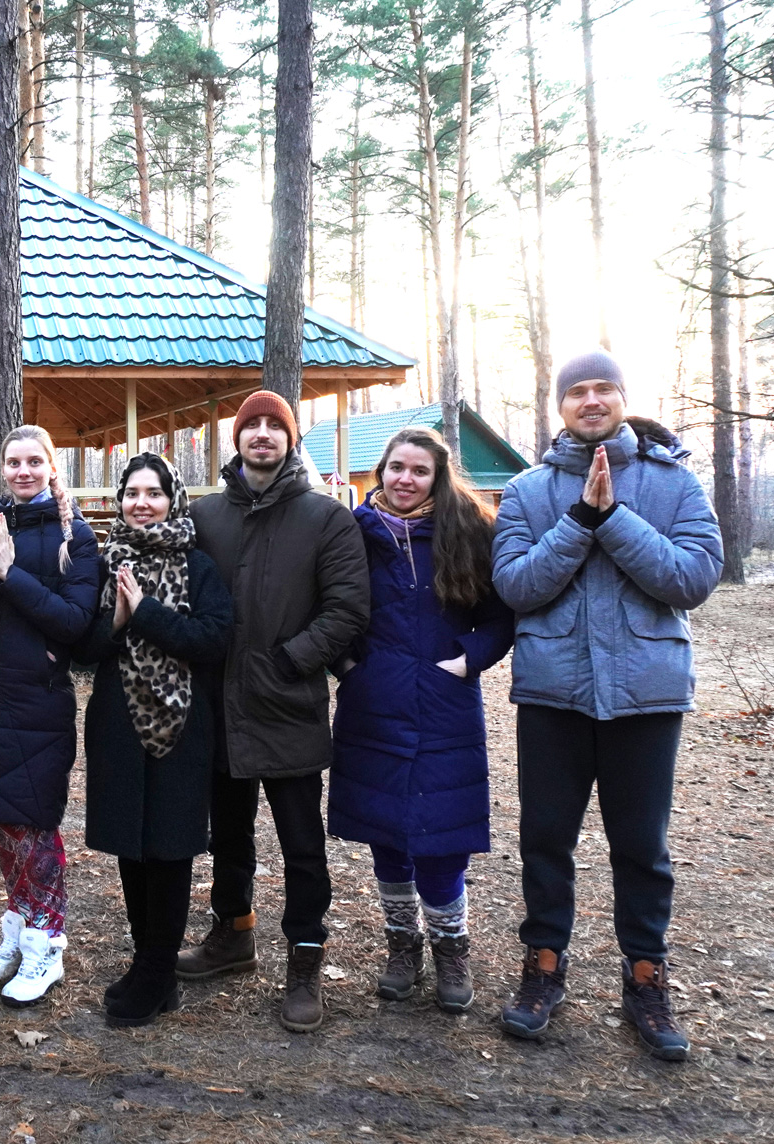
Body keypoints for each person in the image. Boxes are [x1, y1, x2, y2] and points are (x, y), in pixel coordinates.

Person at [493, 351, 722, 1062]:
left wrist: (614, 518)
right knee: (545, 839)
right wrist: (579, 521)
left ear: (623, 397)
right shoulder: (527, 490)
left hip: (645, 697)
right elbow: (515, 586)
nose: (591, 400)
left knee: (642, 847)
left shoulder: (673, 481)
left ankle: (645, 978)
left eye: (604, 389)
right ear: (560, 406)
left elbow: (693, 578)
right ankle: (544, 966)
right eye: (578, 392)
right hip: (553, 695)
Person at [178, 390, 368, 1032]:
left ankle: (305, 958)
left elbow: (347, 608)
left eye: (274, 426)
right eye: (251, 425)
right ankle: (233, 932)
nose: (262, 434)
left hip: (288, 703)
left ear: (290, 439)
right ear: (236, 440)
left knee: (302, 844)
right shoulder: (205, 516)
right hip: (218, 706)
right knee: (229, 834)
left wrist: (290, 661)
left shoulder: (325, 518)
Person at [325, 428, 513, 1014]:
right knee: (386, 831)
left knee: (442, 835)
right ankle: (402, 946)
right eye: (397, 467)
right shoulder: (354, 532)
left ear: (438, 477)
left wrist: (467, 660)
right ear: (380, 470)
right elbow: (327, 607)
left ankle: (451, 948)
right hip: (373, 701)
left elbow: (501, 616)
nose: (405, 479)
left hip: (444, 704)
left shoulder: (469, 530)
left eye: (420, 470)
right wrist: (350, 667)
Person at [0, 424, 102, 1008]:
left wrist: (12, 577)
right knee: (3, 823)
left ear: (52, 467)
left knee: (33, 824)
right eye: (14, 462)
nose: (23, 471)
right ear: (2, 468)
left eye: (35, 461)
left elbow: (74, 622)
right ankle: (18, 929)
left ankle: (47, 944)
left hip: (38, 700)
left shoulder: (75, 535)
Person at [78, 453, 232, 1027]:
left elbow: (212, 638)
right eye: (132, 493)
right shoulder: (107, 561)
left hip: (182, 722)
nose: (141, 504)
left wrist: (143, 612)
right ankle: (151, 967)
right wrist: (116, 624)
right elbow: (82, 648)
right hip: (117, 719)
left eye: (154, 493)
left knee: (168, 846)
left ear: (174, 500)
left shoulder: (197, 565)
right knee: (131, 842)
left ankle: (157, 969)